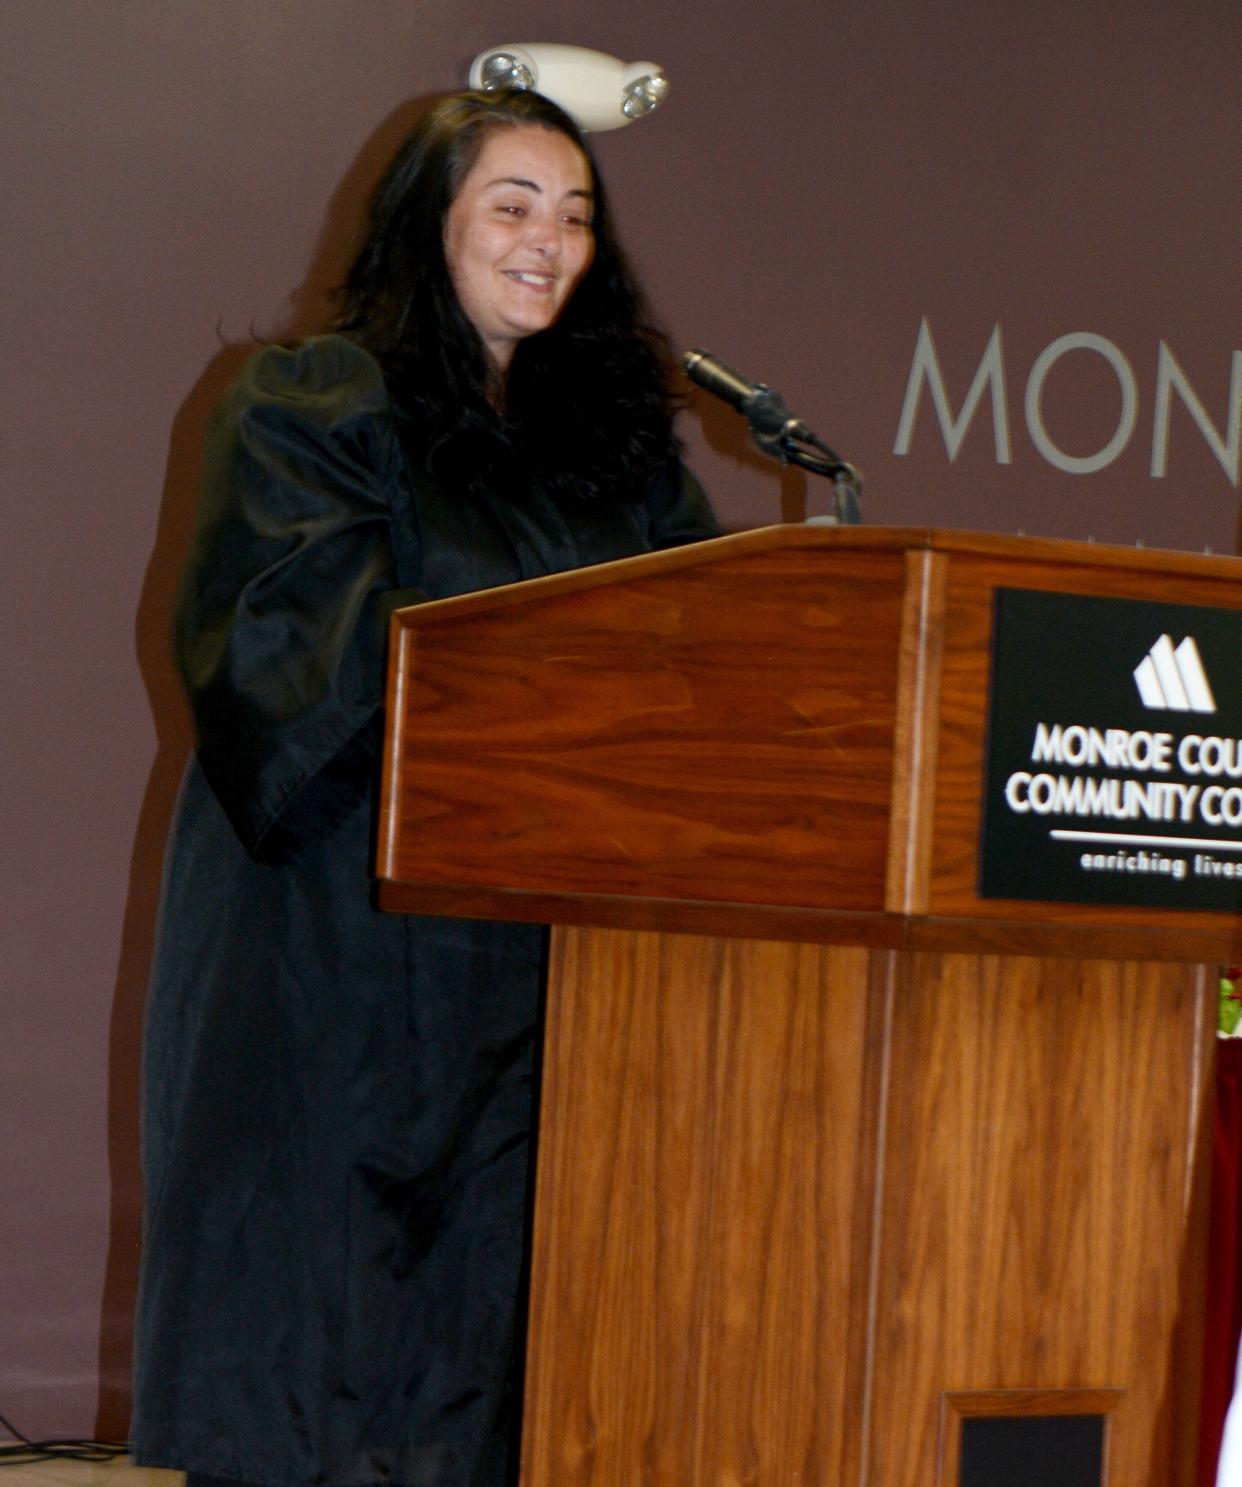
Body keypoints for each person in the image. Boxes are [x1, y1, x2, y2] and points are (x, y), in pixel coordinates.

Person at [130, 89, 717, 1487]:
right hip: (341, 958)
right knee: (329, 1356)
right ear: (429, 230)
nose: (548, 243)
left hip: (541, 980)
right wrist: (555, 652)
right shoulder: (311, 399)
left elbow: (709, 645)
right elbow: (285, 662)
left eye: (574, 217)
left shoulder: (615, 460)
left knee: (508, 1350)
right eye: (509, 206)